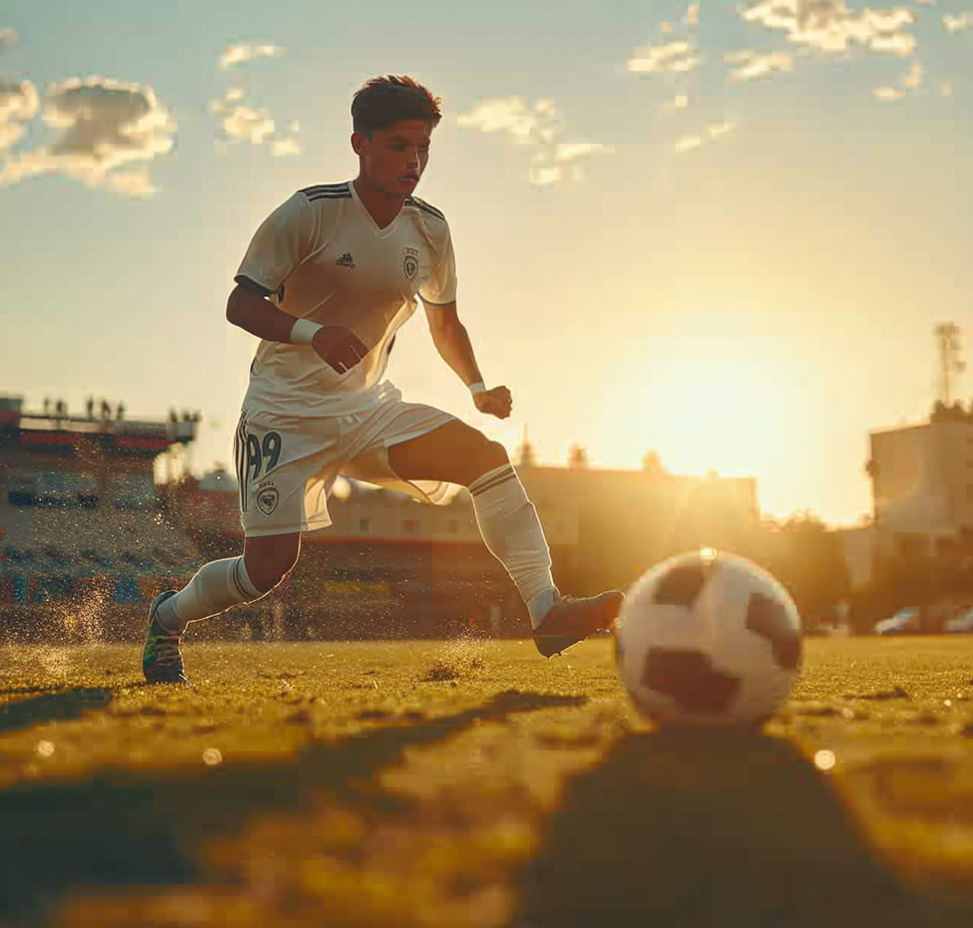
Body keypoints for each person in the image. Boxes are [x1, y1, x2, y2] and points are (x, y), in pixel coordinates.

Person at [143, 75, 623, 684]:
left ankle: (547, 610)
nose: (414, 162)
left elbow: (445, 322)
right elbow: (241, 305)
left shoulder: (430, 229)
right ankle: (168, 616)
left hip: (367, 410)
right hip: (283, 415)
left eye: (423, 148)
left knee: (485, 457)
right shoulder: (309, 214)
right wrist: (312, 333)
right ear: (359, 144)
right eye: (399, 147)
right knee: (266, 570)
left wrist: (478, 388)